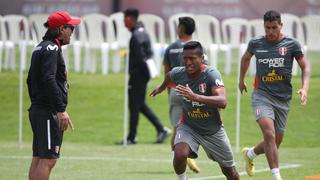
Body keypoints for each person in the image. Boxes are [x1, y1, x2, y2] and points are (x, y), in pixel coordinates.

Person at [151, 41, 240, 180]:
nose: (187, 62)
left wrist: (195, 97)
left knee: (231, 173)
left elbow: (222, 101)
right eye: (185, 58)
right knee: (179, 153)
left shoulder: (211, 74)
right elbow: (170, 75)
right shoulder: (179, 73)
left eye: (192, 58)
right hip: (188, 126)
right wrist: (161, 88)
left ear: (202, 58)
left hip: (212, 130)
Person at [239, 10, 310, 180]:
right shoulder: (256, 43)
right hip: (261, 95)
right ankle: (276, 176)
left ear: (281, 26)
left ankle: (250, 154)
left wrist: (305, 88)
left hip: (283, 99)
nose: (270, 32)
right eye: (267, 28)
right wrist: (241, 80)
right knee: (269, 134)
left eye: (274, 27)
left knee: (275, 142)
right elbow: (245, 59)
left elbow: (305, 67)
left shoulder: (291, 44)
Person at [27, 11, 80, 180]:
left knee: (39, 158)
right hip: (48, 112)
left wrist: (37, 102)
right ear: (60, 29)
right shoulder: (51, 49)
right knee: (49, 160)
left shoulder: (40, 47)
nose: (72, 31)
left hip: (38, 110)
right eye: (70, 27)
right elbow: (49, 78)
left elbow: (30, 80)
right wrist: (60, 109)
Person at [120, 8, 170, 145]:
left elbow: (141, 58)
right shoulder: (142, 32)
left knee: (134, 104)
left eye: (125, 21)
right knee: (139, 104)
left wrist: (131, 65)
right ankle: (161, 129)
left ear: (130, 19)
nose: (124, 24)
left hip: (138, 75)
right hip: (143, 74)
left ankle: (132, 137)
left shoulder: (136, 36)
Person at [163, 16, 200, 173]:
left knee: (177, 127)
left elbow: (167, 73)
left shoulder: (171, 48)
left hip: (176, 91)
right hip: (193, 93)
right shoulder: (197, 49)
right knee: (190, 126)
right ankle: (185, 156)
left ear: (181, 29)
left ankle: (179, 158)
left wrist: (168, 92)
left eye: (178, 26)